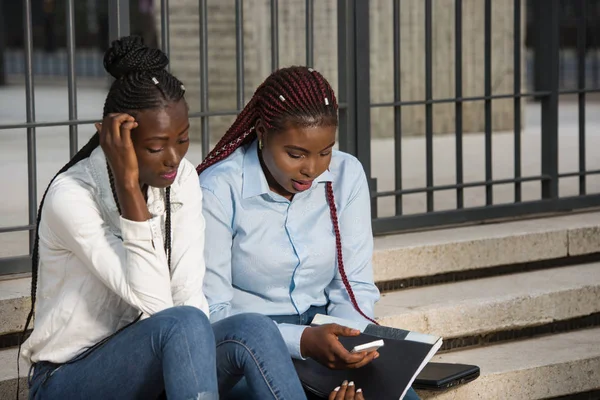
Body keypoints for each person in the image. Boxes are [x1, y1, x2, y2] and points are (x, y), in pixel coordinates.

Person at [21, 36, 306, 400]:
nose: (174, 158)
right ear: (116, 139)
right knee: (181, 325)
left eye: (183, 140)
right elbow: (156, 305)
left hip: (156, 361)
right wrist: (128, 188)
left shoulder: (182, 179)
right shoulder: (71, 197)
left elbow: (189, 300)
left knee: (254, 328)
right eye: (157, 147)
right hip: (68, 378)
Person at [198, 66, 420, 400]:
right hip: (248, 345)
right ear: (261, 132)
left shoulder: (346, 175)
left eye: (325, 151)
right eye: (295, 154)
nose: (312, 169)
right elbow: (213, 314)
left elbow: (354, 285)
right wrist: (301, 341)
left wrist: (349, 345)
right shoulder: (218, 189)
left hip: (325, 331)